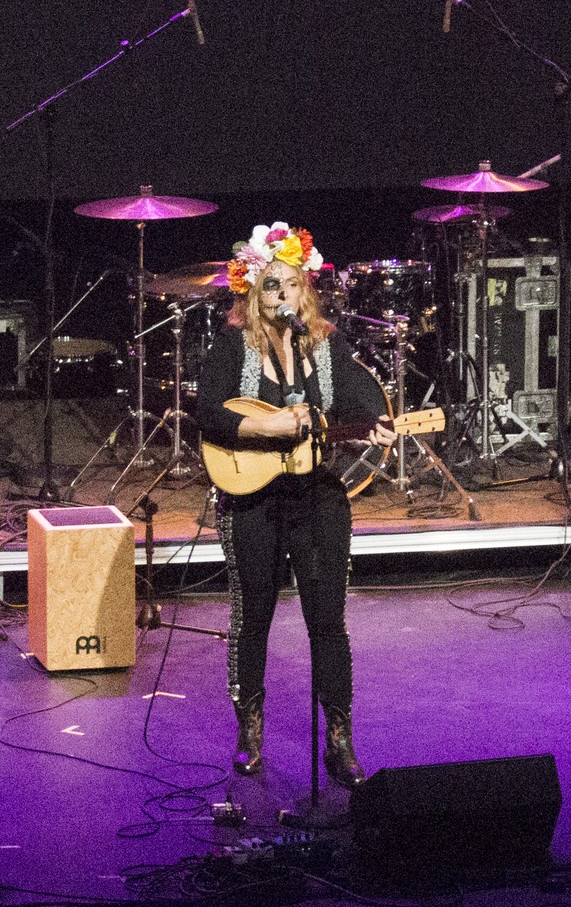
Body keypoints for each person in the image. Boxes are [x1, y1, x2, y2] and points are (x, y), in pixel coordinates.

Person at [193, 223, 392, 788]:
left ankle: (339, 739)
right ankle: (249, 732)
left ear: (307, 290)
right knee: (251, 616)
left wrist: (374, 421)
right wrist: (266, 423)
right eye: (272, 287)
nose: (283, 296)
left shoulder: (325, 344)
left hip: (318, 498)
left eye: (292, 285)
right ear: (254, 294)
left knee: (328, 621)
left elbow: (359, 392)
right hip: (253, 500)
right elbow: (208, 411)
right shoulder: (234, 346)